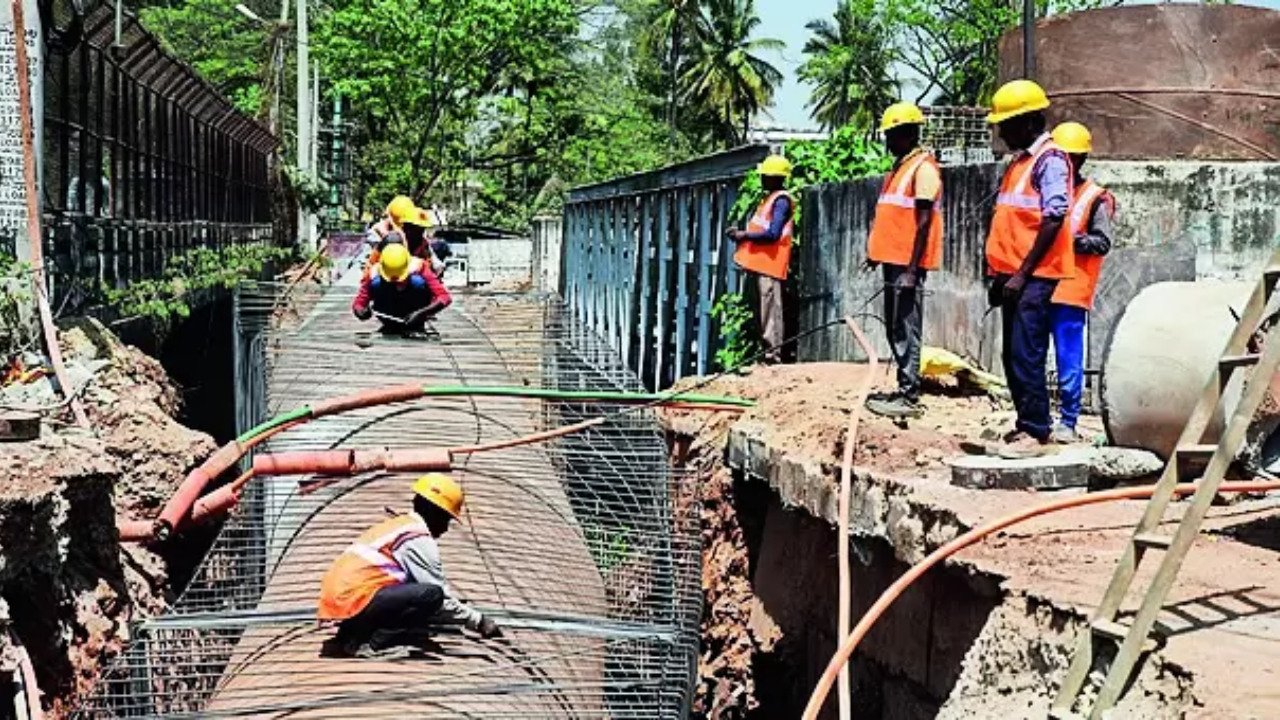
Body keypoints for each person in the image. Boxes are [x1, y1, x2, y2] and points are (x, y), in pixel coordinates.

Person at [318, 474, 502, 659]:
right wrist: (478, 621)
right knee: (432, 596)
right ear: (434, 512)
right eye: (446, 519)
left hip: (341, 600)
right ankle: (370, 645)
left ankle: (351, 634)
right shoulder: (417, 537)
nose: (446, 528)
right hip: (354, 599)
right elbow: (439, 597)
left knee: (418, 595)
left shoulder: (399, 525)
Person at [985, 79, 1076, 449]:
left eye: (1006, 124)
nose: (1002, 132)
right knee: (1012, 353)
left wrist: (1022, 274)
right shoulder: (1021, 163)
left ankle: (1037, 428)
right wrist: (1000, 275)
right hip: (1013, 274)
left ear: (1026, 121)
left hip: (1033, 276)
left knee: (1027, 352)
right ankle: (1027, 423)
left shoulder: (1049, 160)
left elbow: (1054, 217)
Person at [863, 102, 944, 419]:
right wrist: (874, 254)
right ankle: (903, 387)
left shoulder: (922, 168)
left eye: (893, 135)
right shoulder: (899, 169)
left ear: (909, 134)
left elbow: (922, 223)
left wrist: (912, 269)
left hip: (906, 266)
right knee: (896, 326)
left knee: (907, 329)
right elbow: (891, 217)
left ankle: (909, 394)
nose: (888, 141)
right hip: (892, 261)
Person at [1047, 122, 1115, 444]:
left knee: (1068, 358)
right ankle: (1038, 419)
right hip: (1040, 284)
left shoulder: (1094, 198)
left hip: (1071, 289)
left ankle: (1068, 421)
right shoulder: (1043, 190)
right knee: (1031, 356)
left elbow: (1102, 242)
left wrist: (1067, 242)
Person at [727, 155, 795, 364]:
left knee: (771, 312)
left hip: (771, 265)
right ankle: (766, 355)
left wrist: (743, 236)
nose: (762, 178)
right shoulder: (770, 199)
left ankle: (772, 357)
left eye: (765, 175)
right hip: (762, 264)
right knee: (764, 312)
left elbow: (772, 234)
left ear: (776, 177)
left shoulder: (781, 201)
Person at [352, 242, 452, 332]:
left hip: (416, 313)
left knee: (418, 282)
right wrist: (361, 312)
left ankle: (415, 323)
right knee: (376, 283)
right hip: (388, 314)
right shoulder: (373, 272)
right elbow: (359, 303)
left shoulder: (420, 266)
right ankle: (390, 324)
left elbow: (444, 297)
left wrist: (421, 313)